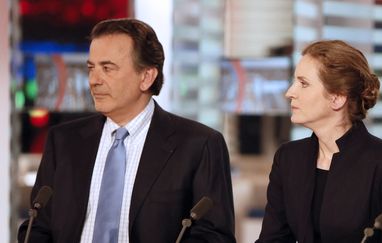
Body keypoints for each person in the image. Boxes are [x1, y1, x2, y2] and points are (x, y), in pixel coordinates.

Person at [18, 18, 236, 243]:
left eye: (107, 68)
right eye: (91, 68)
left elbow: (213, 237)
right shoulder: (63, 141)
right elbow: (37, 226)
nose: (94, 80)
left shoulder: (199, 145)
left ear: (146, 77)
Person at [256, 40, 382, 243]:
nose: (290, 92)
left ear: (337, 98)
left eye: (303, 83)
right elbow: (273, 239)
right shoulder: (288, 158)